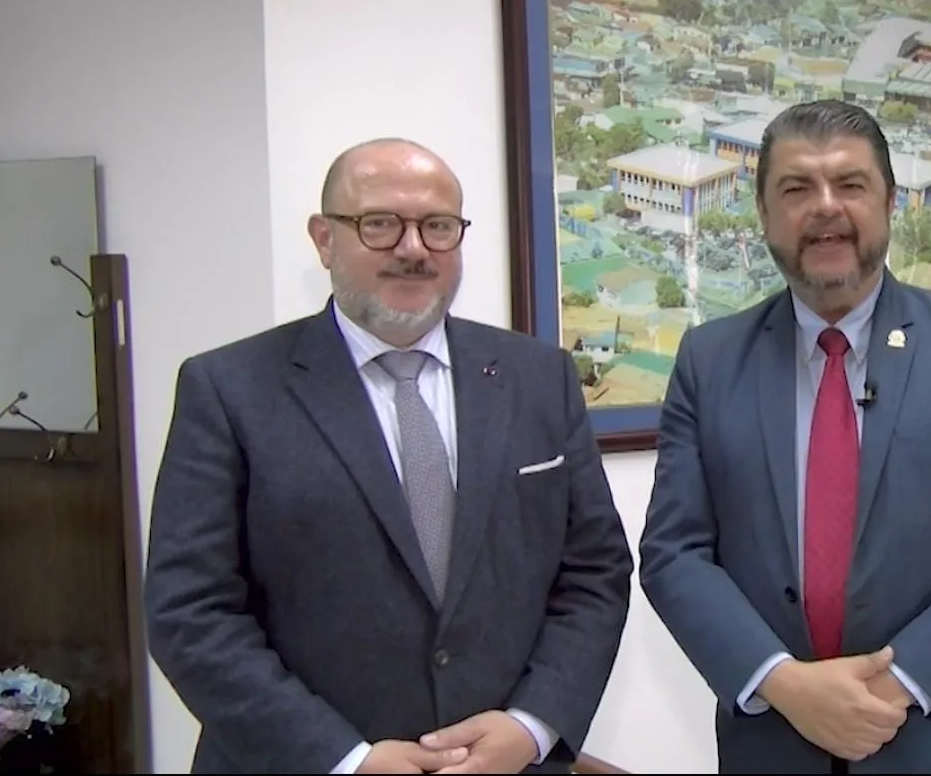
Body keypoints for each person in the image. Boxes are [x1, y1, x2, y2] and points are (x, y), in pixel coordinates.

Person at [144, 138, 633, 774]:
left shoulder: (540, 377)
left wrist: (532, 726)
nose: (413, 248)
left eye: (438, 226)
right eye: (379, 224)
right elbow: (190, 612)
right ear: (324, 239)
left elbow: (595, 571)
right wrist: (344, 760)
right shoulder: (229, 389)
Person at [638, 100, 931, 774]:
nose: (825, 206)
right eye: (796, 188)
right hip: (770, 746)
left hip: (929, 743)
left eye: (850, 183)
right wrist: (783, 682)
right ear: (764, 214)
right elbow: (673, 552)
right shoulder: (709, 361)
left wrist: (897, 684)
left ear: (890, 203)